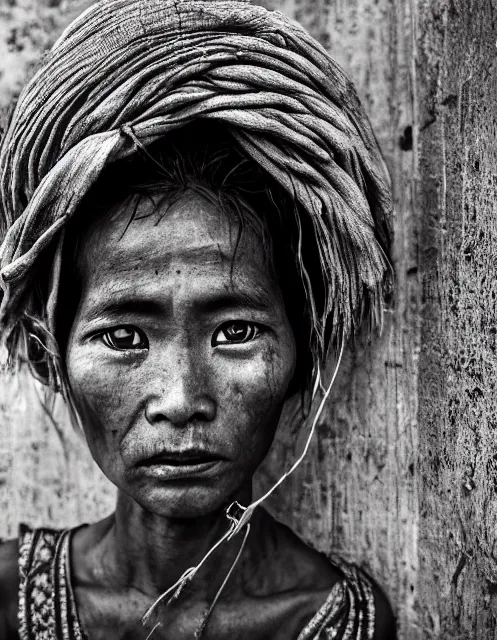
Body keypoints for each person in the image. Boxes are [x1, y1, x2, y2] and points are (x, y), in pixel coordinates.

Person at [0, 1, 396, 638]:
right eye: (124, 337)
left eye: (235, 332)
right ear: (53, 357)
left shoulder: (340, 623)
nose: (181, 400)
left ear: (306, 349)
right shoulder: (7, 600)